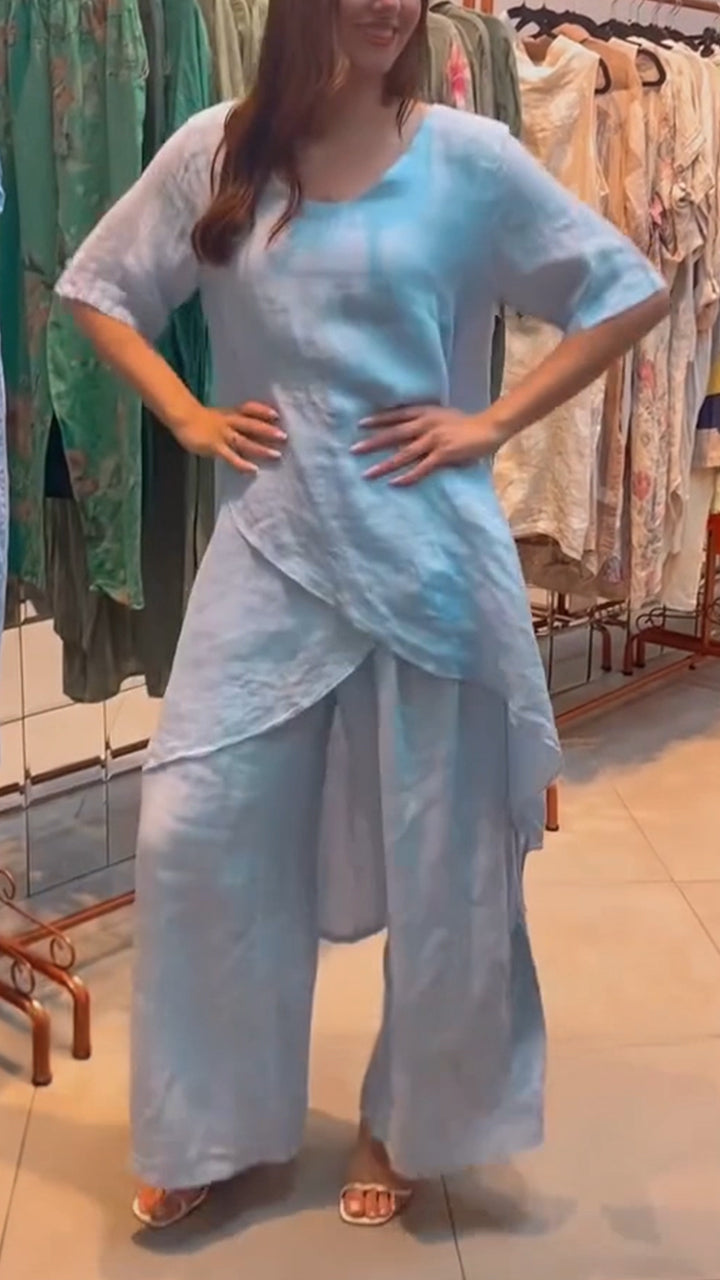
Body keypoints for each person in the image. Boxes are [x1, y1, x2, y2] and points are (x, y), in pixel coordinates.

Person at [57, 0, 668, 1233]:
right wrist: (186, 412)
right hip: (270, 546)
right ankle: (213, 1123)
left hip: (430, 559)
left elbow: (625, 288)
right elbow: (98, 288)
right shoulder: (220, 149)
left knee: (448, 863)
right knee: (196, 832)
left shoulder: (469, 157)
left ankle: (412, 1118)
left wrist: (493, 421)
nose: (386, 5)